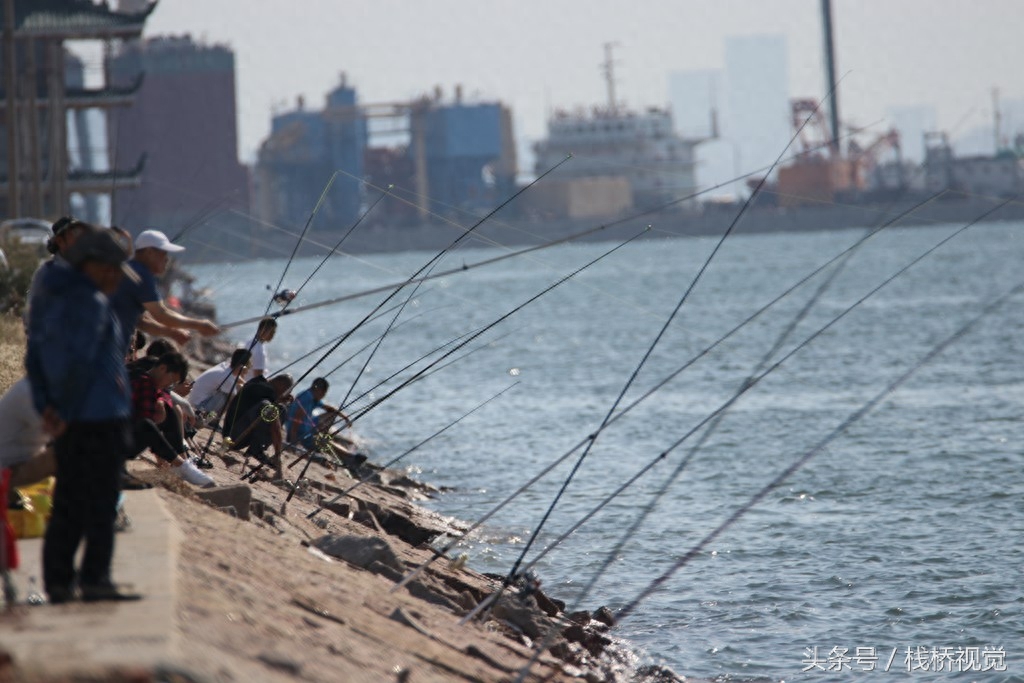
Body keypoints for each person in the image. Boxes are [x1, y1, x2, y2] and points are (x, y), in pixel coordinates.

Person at [25, 225, 140, 603]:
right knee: (101, 501)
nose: (116, 278)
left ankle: (59, 581)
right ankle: (95, 579)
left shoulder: (51, 296)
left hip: (74, 417)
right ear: (94, 266)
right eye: (111, 269)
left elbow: (35, 357)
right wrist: (65, 409)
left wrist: (48, 406)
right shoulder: (88, 302)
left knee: (71, 501)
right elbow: (82, 363)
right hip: (99, 417)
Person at [110, 228, 220, 350]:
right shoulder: (141, 274)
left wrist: (172, 333)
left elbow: (142, 321)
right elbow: (161, 314)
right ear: (149, 252)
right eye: (163, 254)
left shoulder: (133, 269)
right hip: (109, 345)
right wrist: (200, 325)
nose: (167, 259)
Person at [128, 351, 214, 487]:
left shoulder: (150, 382)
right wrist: (158, 414)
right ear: (162, 368)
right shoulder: (143, 381)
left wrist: (162, 403)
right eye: (171, 380)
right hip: (116, 440)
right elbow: (143, 419)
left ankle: (181, 464)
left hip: (126, 439)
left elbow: (165, 396)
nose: (169, 385)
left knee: (171, 412)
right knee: (147, 425)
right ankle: (182, 466)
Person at [223, 374, 293, 480]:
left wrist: (280, 400)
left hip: (238, 429)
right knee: (270, 411)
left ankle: (256, 449)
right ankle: (256, 450)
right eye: (286, 390)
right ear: (281, 385)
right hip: (234, 437)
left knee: (281, 408)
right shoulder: (263, 392)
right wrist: (278, 456)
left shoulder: (259, 384)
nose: (287, 393)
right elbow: (275, 425)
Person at [286, 377, 351, 450]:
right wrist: (293, 442)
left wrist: (345, 417)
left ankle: (325, 435)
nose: (323, 396)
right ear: (319, 390)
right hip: (300, 434)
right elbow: (296, 420)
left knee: (332, 414)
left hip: (306, 426)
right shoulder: (306, 398)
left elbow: (329, 409)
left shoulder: (311, 396)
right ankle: (346, 454)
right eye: (324, 393)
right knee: (324, 443)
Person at [188, 348, 252, 421]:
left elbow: (236, 379)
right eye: (249, 364)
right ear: (241, 367)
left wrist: (246, 384)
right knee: (226, 397)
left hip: (194, 402)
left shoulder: (225, 366)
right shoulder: (227, 378)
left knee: (232, 390)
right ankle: (211, 420)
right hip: (198, 407)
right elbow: (234, 401)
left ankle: (211, 419)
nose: (250, 366)